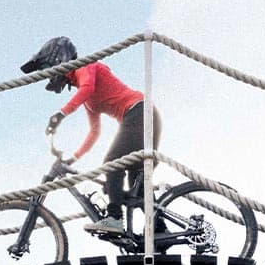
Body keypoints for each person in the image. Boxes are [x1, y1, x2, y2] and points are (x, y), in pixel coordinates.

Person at [20, 36, 162, 235]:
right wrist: (74, 157)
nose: (47, 74)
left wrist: (60, 114)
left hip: (140, 112)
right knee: (136, 187)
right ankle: (160, 230)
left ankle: (114, 219)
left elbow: (86, 87)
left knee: (112, 164)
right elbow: (94, 133)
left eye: (46, 67)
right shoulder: (89, 101)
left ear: (58, 58)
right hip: (142, 118)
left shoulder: (85, 66)